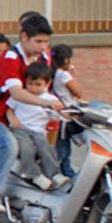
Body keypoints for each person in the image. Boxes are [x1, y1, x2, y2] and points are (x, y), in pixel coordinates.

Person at [0, 13, 62, 217]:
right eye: (38, 41)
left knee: (44, 148)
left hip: (22, 122)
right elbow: (16, 93)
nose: (43, 46)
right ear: (24, 36)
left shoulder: (41, 59)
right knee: (9, 145)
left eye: (46, 42)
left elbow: (45, 90)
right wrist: (46, 103)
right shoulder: (10, 58)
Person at [8, 61, 69, 189]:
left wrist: (62, 111)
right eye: (29, 83)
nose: (33, 88)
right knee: (27, 147)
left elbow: (58, 115)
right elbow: (10, 110)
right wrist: (12, 118)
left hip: (38, 132)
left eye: (38, 84)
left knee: (46, 147)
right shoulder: (21, 95)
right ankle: (34, 175)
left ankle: (54, 174)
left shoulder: (51, 100)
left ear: (47, 83)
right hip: (19, 129)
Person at [51, 44, 88, 176]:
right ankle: (64, 173)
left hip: (58, 115)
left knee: (62, 147)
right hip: (65, 116)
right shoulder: (64, 74)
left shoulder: (53, 73)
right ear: (66, 60)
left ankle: (65, 172)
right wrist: (73, 75)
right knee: (63, 149)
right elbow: (78, 93)